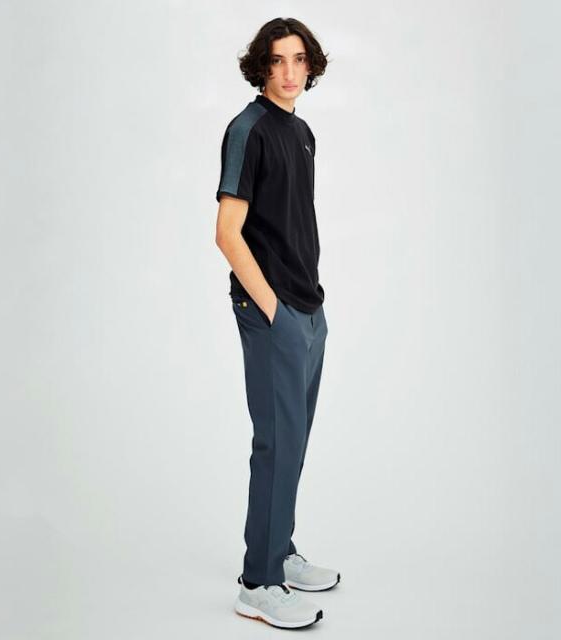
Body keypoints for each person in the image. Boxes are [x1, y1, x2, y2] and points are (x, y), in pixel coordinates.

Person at [215, 17, 339, 629]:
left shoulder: (302, 131)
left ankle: (279, 550)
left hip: (307, 307)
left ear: (309, 65)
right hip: (272, 313)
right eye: (277, 60)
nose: (289, 72)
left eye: (298, 59)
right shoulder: (249, 130)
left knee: (295, 441)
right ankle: (258, 581)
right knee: (275, 442)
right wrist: (274, 309)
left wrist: (308, 310)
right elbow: (227, 233)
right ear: (261, 66)